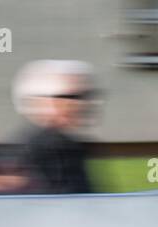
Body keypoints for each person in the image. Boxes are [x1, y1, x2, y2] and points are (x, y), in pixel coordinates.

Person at [10, 60, 100, 194]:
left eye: (86, 96)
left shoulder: (62, 144)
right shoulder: (52, 147)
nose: (82, 105)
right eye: (73, 97)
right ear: (43, 101)